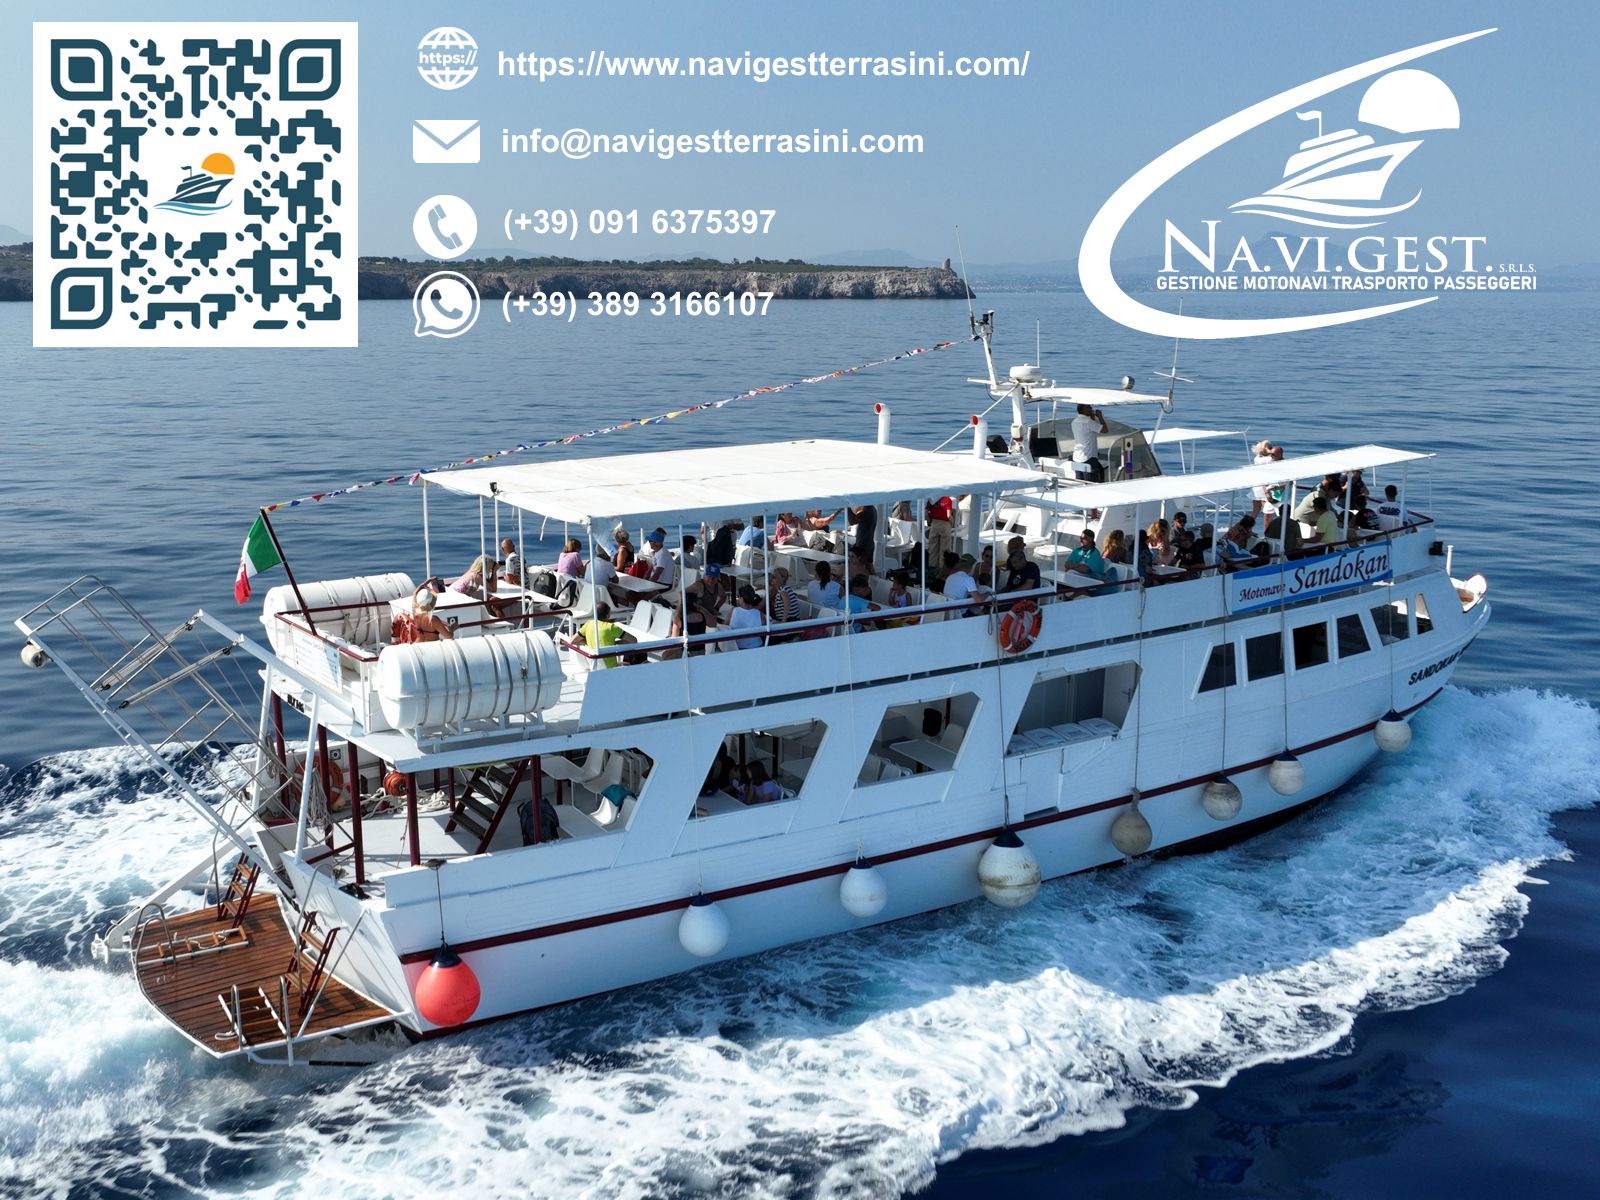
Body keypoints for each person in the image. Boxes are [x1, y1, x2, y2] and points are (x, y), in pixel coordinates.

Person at [575, 600, 630, 668]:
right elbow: (633, 640)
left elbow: (573, 641)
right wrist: (615, 643)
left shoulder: (588, 624)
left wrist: (588, 642)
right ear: (607, 615)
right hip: (611, 668)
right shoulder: (611, 627)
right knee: (630, 663)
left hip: (595, 666)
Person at [1071, 403, 1110, 481]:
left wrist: (1092, 416)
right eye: (1089, 407)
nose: (1091, 408)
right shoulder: (1088, 422)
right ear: (1084, 409)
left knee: (1079, 482)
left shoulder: (1074, 421)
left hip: (1077, 457)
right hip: (1088, 457)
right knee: (1092, 482)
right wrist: (1100, 417)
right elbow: (1105, 430)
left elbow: (1091, 428)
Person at [766, 566, 803, 635]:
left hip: (790, 623)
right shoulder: (784, 589)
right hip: (790, 621)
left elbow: (787, 604)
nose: (771, 578)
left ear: (782, 579)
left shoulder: (783, 590)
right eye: (771, 576)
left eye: (774, 577)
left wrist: (783, 622)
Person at [925, 496, 955, 565]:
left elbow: (926, 514)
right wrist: (952, 522)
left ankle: (932, 565)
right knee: (945, 548)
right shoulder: (947, 499)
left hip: (934, 524)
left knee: (932, 547)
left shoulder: (931, 499)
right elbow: (948, 515)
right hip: (945, 524)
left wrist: (929, 522)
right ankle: (942, 566)